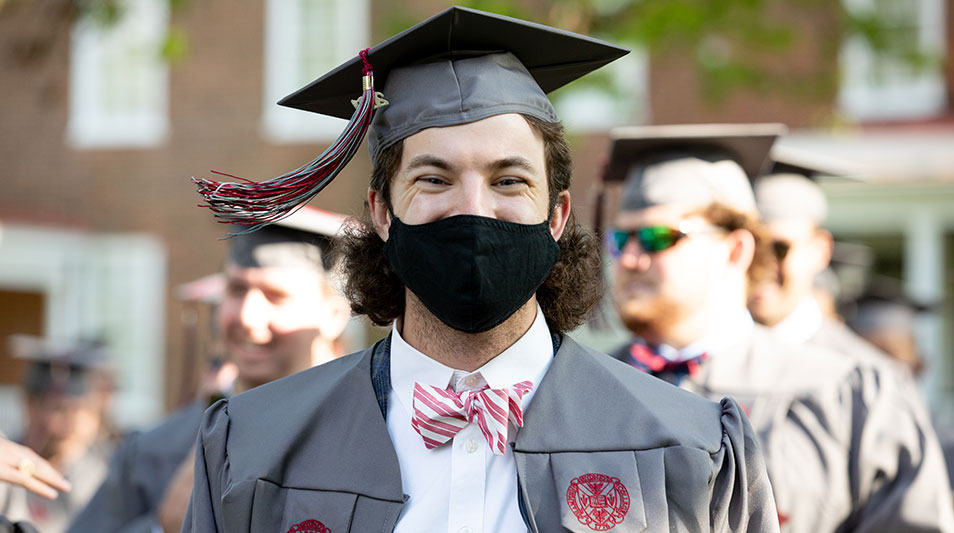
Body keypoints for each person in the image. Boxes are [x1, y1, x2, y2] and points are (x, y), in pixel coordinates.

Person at [184, 7, 779, 533]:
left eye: (509, 181)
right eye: (435, 179)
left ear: (556, 214)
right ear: (382, 213)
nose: (473, 209)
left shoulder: (691, 448)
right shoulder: (251, 447)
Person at [603, 123, 953, 532]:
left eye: (656, 237)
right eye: (620, 238)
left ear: (735, 249)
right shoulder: (582, 392)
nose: (628, 258)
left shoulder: (849, 395)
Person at [68, 206, 351, 533]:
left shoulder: (370, 441)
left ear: (332, 316)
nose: (246, 315)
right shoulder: (154, 453)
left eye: (276, 296)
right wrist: (161, 529)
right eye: (236, 289)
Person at [0, 336, 116, 533]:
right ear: (30, 406)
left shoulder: (108, 472)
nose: (74, 423)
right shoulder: (7, 464)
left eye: (85, 411)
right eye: (60, 409)